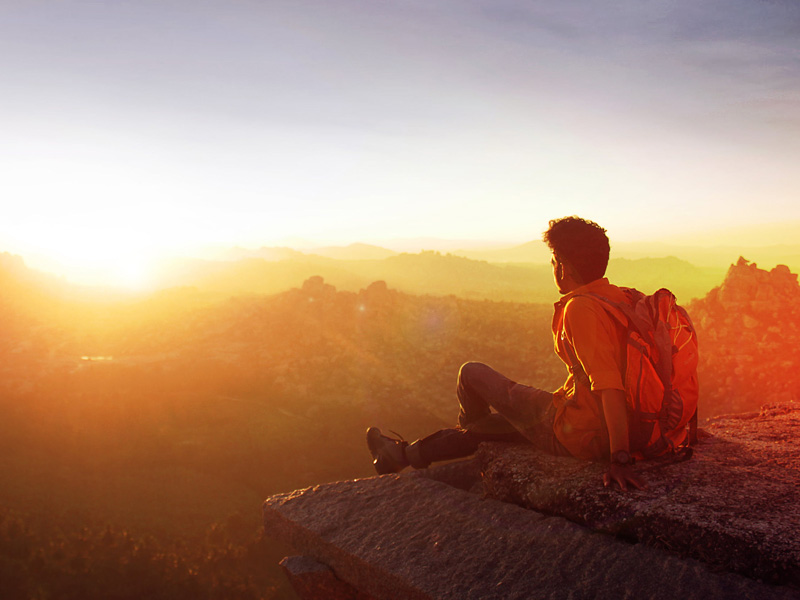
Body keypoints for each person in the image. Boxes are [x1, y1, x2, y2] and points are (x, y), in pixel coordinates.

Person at [366, 216, 647, 491]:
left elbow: (610, 387)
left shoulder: (581, 308)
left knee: (471, 373)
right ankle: (403, 455)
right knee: (510, 421)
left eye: (553, 262)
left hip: (580, 433)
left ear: (563, 267)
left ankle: (466, 436)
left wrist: (619, 458)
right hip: (624, 426)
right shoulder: (622, 298)